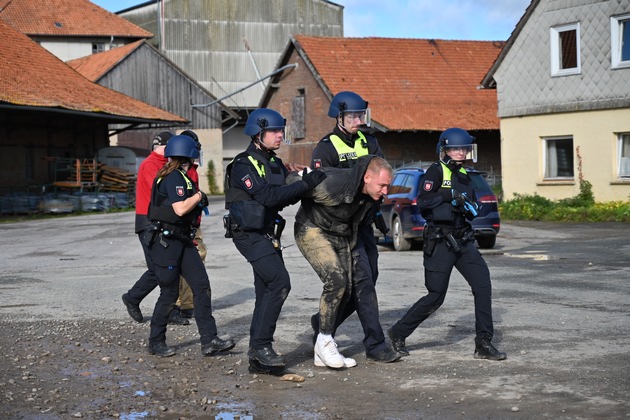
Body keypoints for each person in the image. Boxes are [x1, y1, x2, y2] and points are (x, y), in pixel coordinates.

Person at [387, 128, 507, 361]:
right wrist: (449, 195)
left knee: (482, 285)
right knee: (435, 296)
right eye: (455, 148)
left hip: (463, 239)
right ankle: (398, 332)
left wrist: (470, 207)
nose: (460, 152)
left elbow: (472, 210)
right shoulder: (435, 170)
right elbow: (423, 202)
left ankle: (483, 343)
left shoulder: (465, 175)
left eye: (463, 149)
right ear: (444, 150)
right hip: (440, 241)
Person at [224, 108, 327, 375]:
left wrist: (305, 180)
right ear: (258, 133)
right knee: (279, 282)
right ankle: (262, 346)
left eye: (281, 130)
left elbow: (285, 195)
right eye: (274, 131)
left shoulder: (273, 162)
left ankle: (256, 358)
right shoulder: (243, 164)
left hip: (267, 233)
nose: (280, 135)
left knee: (265, 289)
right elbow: (269, 197)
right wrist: (306, 184)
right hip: (247, 234)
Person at [308, 91, 395, 363]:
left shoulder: (369, 142)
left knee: (368, 280)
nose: (359, 120)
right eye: (353, 116)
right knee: (363, 284)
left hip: (365, 223)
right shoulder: (326, 147)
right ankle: (375, 344)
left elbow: (380, 176)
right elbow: (321, 188)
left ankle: (323, 324)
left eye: (361, 115)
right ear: (340, 116)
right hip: (340, 227)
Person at [292, 155, 400, 368]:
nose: (386, 191)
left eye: (388, 186)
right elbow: (292, 185)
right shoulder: (331, 183)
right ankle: (324, 339)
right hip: (312, 229)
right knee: (337, 281)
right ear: (367, 177)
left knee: (363, 285)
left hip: (345, 235)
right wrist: (297, 177)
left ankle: (373, 346)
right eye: (382, 185)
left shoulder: (371, 194)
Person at [143, 134, 234, 357]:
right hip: (167, 243)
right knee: (169, 291)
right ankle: (156, 341)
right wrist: (200, 196)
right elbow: (180, 209)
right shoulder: (173, 177)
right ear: (188, 154)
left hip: (183, 240)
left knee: (201, 286)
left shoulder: (180, 175)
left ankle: (209, 340)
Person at [121, 130, 197, 326]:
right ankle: (133, 298)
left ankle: (168, 309)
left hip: (161, 222)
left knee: (169, 268)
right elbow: (164, 192)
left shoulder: (164, 165)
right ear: (164, 147)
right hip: (149, 222)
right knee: (159, 270)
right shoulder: (151, 165)